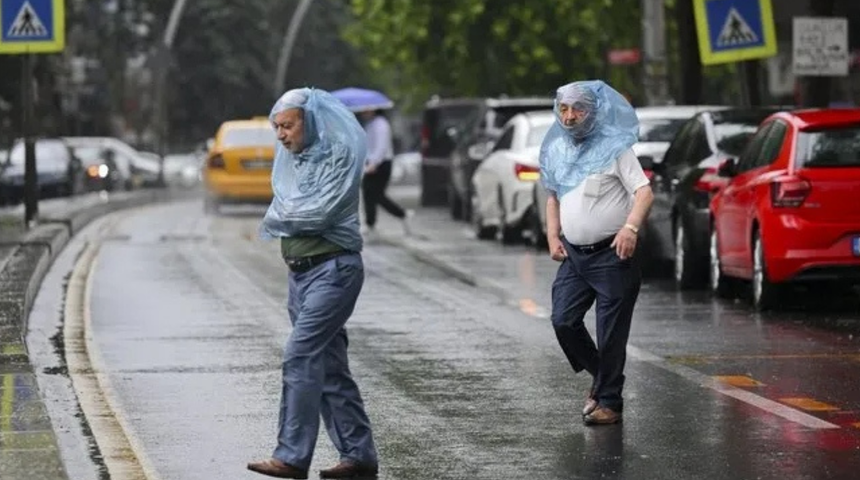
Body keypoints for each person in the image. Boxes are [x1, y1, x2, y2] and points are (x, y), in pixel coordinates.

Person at [247, 88, 379, 479]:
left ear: (312, 121)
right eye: (277, 128)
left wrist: (281, 214)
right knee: (330, 368)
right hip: (300, 274)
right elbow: (287, 206)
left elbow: (316, 213)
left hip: (334, 270)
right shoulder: (297, 161)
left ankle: (291, 456)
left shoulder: (338, 155)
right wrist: (283, 212)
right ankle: (359, 456)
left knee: (300, 355)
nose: (281, 135)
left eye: (288, 126)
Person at [539, 80, 654, 426]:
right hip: (575, 256)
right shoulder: (560, 149)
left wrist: (630, 228)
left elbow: (645, 193)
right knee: (564, 320)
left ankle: (609, 403)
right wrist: (552, 236)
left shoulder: (615, 149)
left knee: (610, 332)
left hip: (611, 255)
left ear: (594, 111)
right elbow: (554, 197)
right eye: (564, 109)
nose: (570, 116)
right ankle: (602, 378)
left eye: (578, 109)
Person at [358, 109, 411, 235]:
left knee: (376, 194)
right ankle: (370, 223)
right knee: (368, 193)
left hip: (381, 163)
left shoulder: (381, 124)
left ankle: (401, 213)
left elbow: (382, 146)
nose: (363, 113)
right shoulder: (370, 124)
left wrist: (374, 163)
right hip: (371, 162)